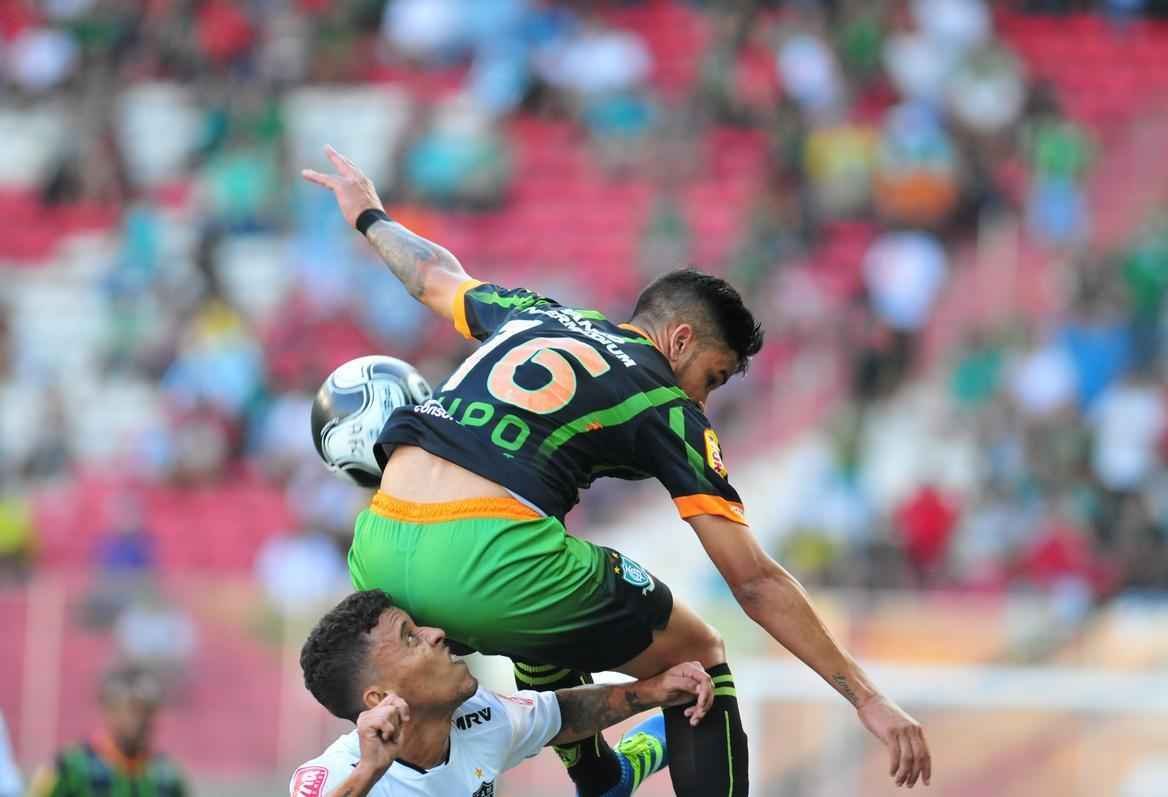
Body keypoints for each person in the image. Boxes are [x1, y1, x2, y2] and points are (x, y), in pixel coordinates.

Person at [302, 145, 933, 795]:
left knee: (540, 627)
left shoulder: (537, 315)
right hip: (489, 555)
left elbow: (433, 275)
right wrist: (866, 698)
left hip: (376, 551)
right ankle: (604, 779)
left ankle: (600, 773)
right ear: (681, 340)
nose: (703, 400)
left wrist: (371, 217)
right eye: (711, 378)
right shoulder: (665, 402)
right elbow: (755, 582)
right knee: (698, 652)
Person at [292, 589, 714, 797]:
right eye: (410, 637)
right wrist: (369, 771)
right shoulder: (335, 775)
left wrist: (653, 690)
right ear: (378, 697)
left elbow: (562, 716)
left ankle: (620, 770)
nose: (437, 634)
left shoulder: (479, 717)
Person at [27, 666, 188, 797]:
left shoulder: (167, 775)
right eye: (134, 710)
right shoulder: (70, 766)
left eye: (149, 710)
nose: (143, 720)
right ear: (110, 710)